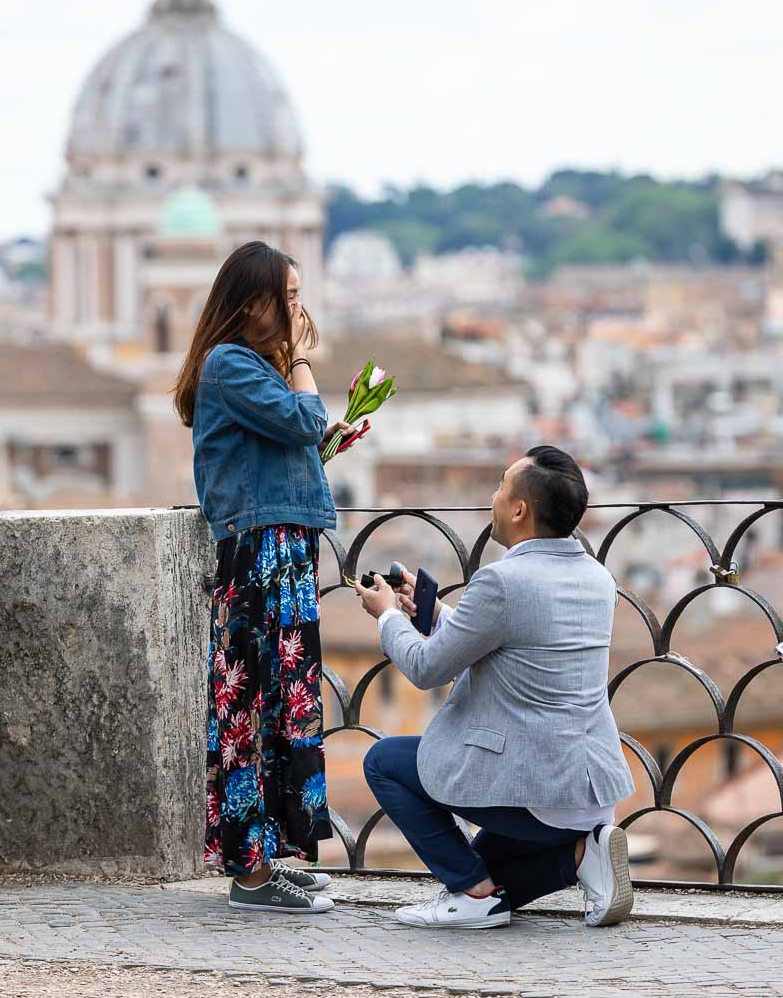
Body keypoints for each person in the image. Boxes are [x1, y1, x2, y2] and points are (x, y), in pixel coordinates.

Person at [355, 445, 635, 931]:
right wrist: (439, 616)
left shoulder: (503, 581)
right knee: (490, 877)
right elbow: (515, 649)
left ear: (520, 509)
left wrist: (387, 619)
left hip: (535, 788)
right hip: (589, 789)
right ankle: (580, 856)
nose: (493, 497)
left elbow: (425, 669)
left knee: (383, 763)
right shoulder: (597, 577)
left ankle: (474, 894)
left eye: (501, 487)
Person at [175, 240, 357, 915]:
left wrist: (330, 441)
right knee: (251, 706)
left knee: (284, 704)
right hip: (258, 559)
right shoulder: (229, 365)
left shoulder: (247, 367)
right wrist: (303, 361)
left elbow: (297, 446)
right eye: (288, 295)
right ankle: (248, 876)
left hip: (278, 551)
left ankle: (268, 858)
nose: (297, 309)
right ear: (250, 302)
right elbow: (303, 420)